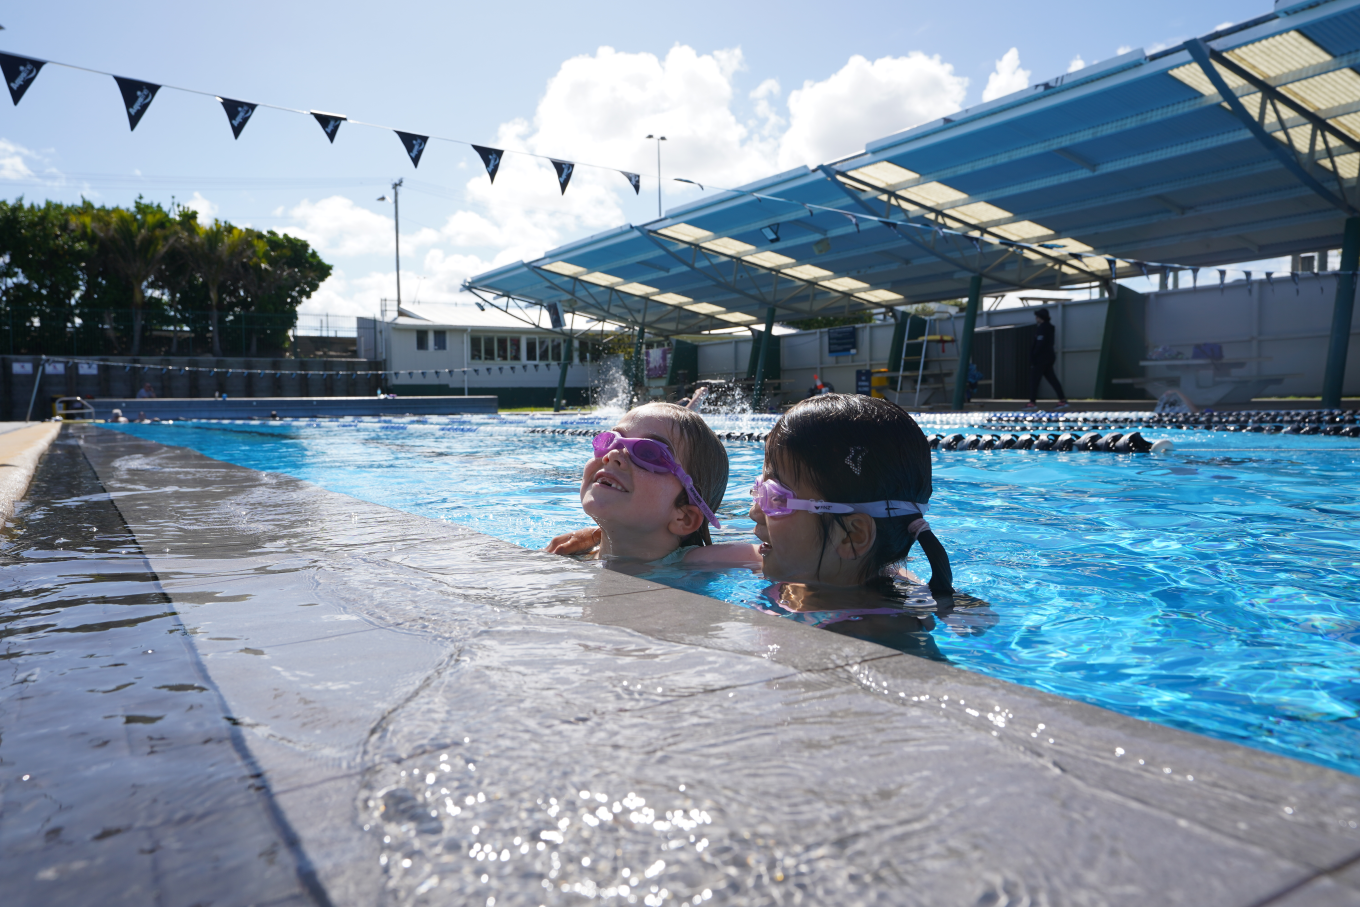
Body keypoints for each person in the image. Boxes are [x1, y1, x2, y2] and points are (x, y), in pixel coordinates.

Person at [568, 402, 732, 565]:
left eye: (648, 452)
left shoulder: (692, 568)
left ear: (684, 518)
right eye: (610, 440)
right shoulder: (562, 554)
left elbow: (755, 555)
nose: (612, 455)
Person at [1027, 309, 1068, 410]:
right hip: (1048, 357)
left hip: (1041, 358)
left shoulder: (1043, 328)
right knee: (1052, 379)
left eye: (1037, 316)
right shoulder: (1049, 327)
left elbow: (1039, 344)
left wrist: (1033, 357)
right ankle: (1062, 400)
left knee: (1034, 380)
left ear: (1041, 317)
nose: (1036, 318)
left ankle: (1032, 402)